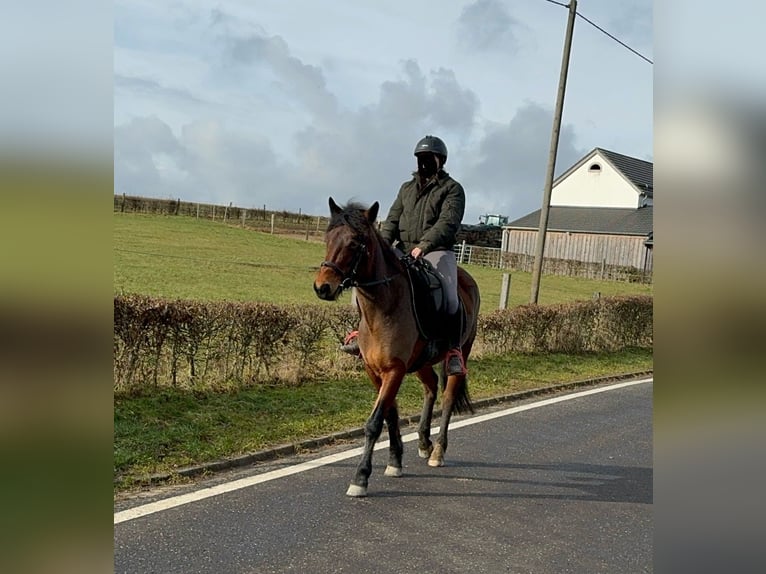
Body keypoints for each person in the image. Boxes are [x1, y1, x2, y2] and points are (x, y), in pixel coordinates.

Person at [340, 135, 467, 376]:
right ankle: (360, 334)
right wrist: (382, 247)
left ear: (440, 160)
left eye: (429, 158)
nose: (424, 162)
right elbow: (393, 220)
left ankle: (453, 350)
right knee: (366, 282)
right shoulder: (406, 189)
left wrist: (424, 246)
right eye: (420, 158)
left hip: (436, 251)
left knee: (450, 297)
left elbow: (447, 223)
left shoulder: (452, 190)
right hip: (402, 249)